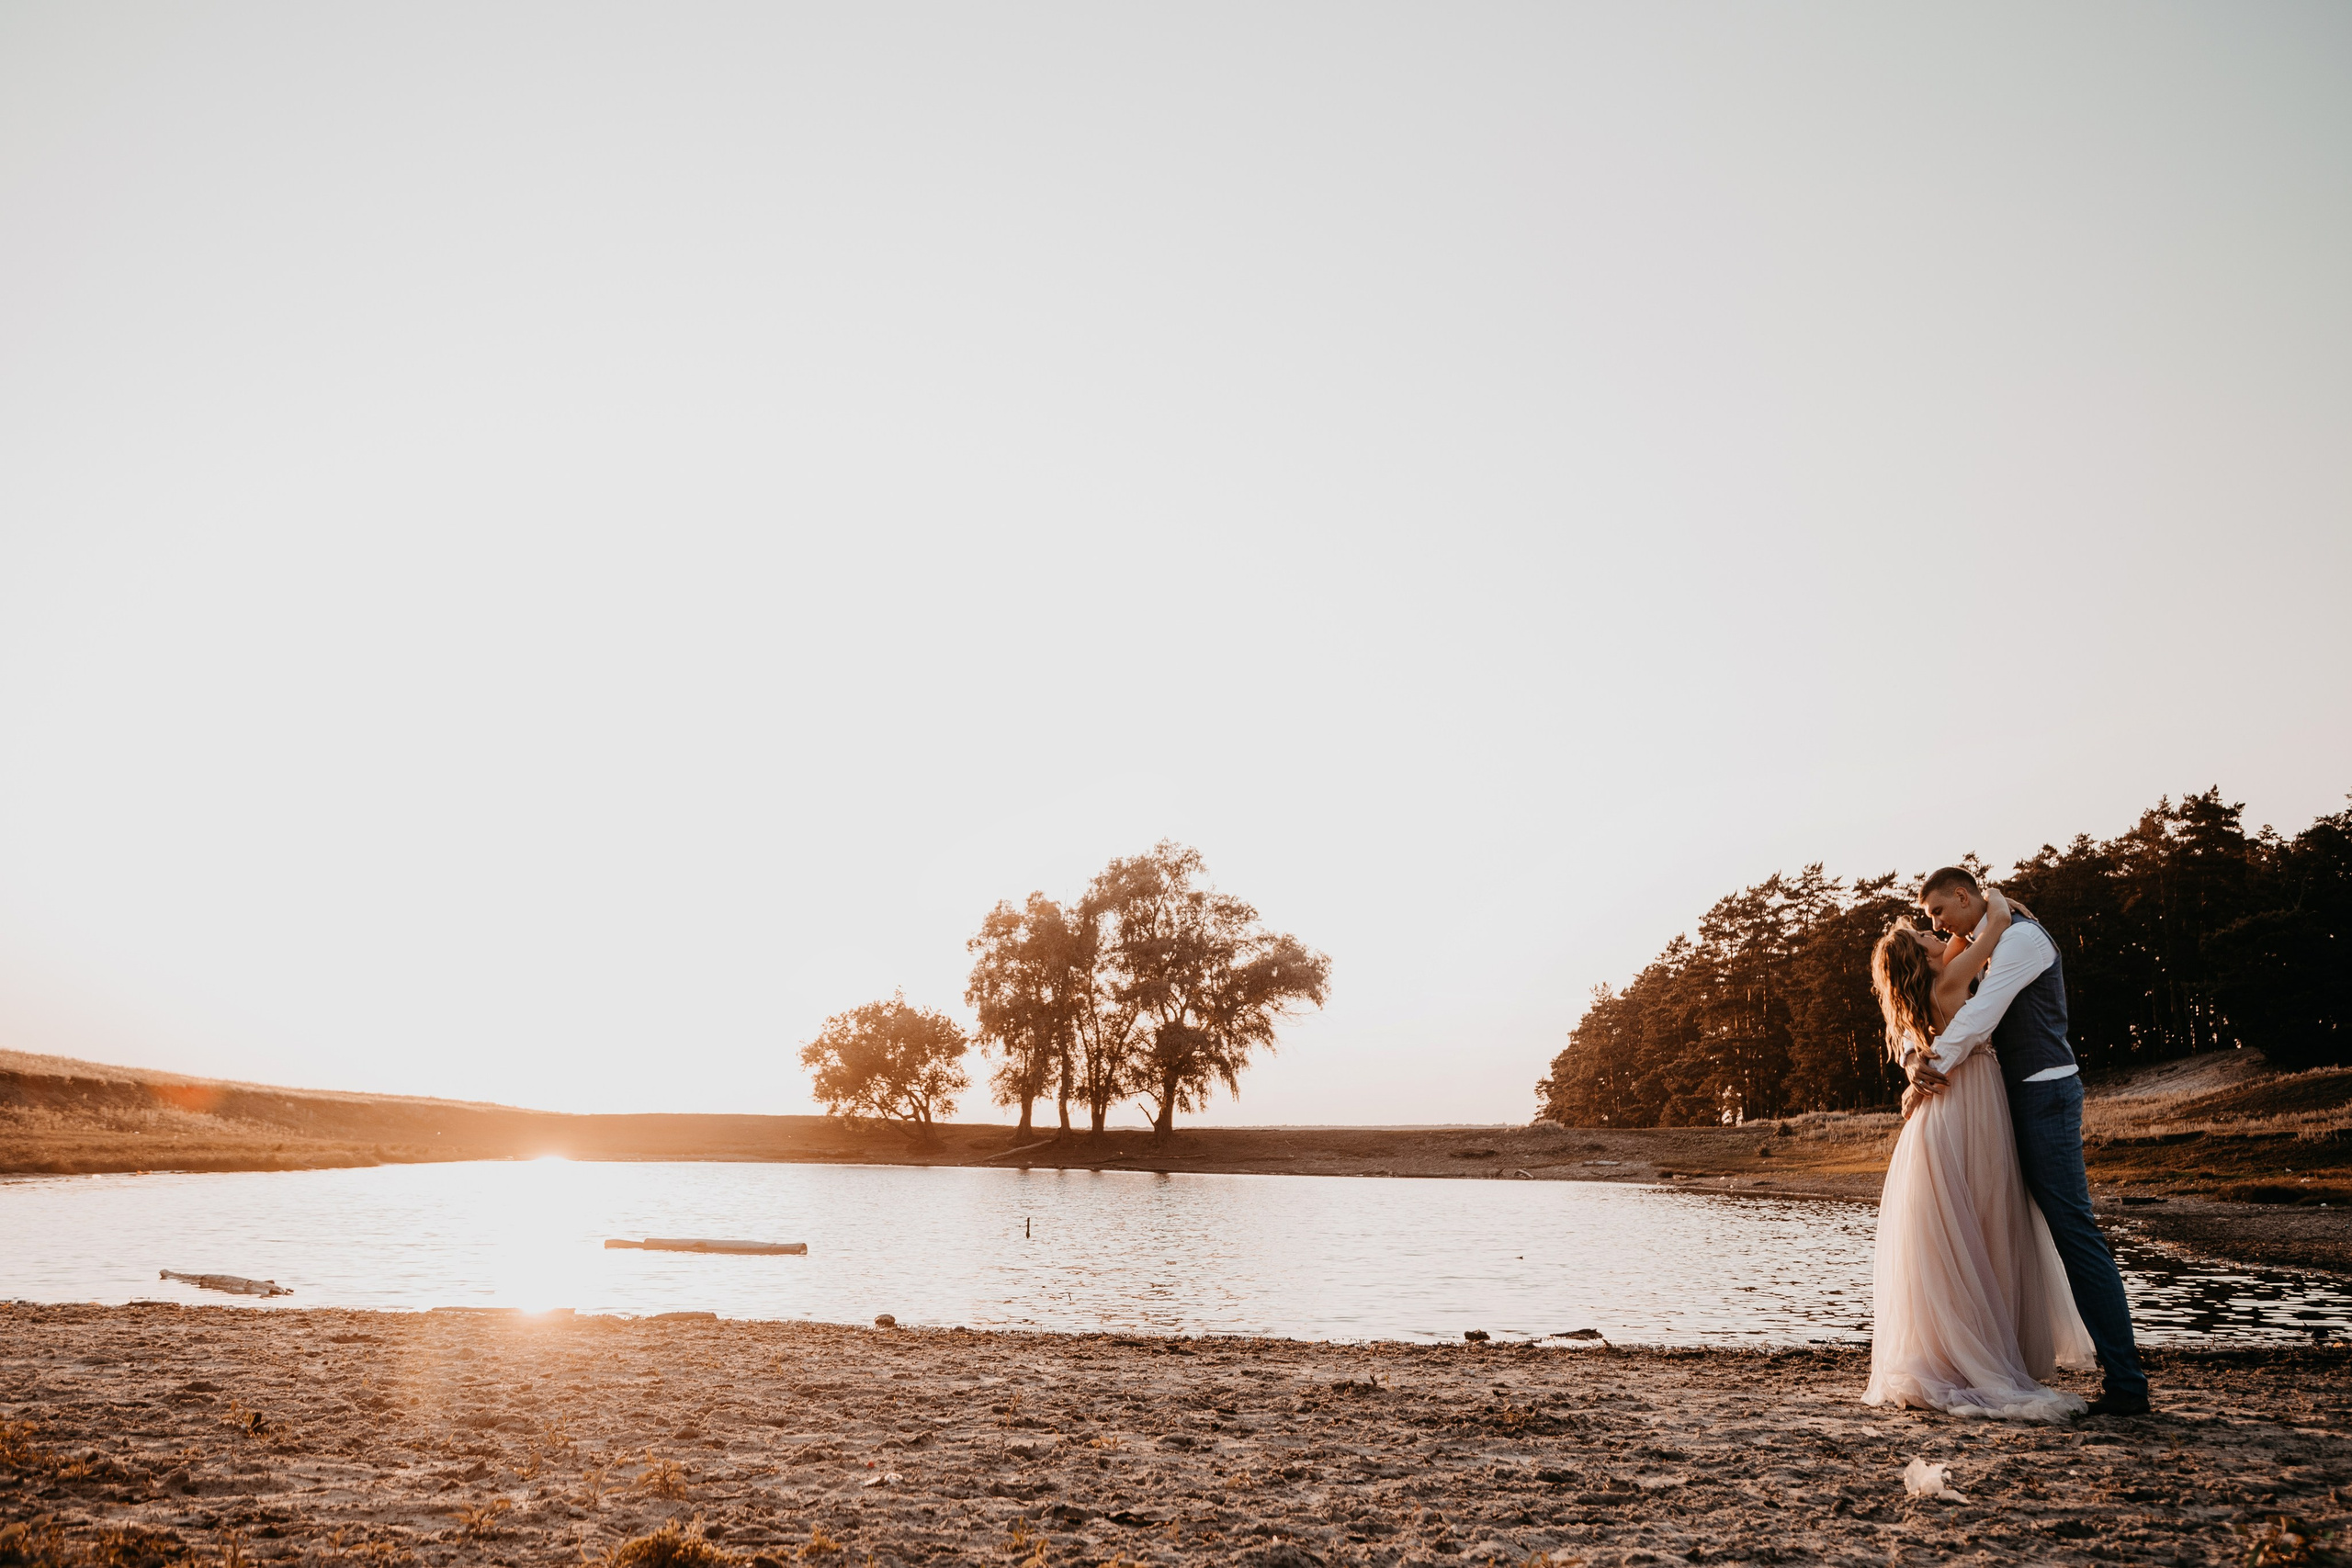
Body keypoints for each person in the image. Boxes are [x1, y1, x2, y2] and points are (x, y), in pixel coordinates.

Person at [1908, 865, 2152, 1416]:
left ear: (1963, 896)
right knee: (2014, 1228)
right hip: (2008, 1099)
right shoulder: (1991, 933)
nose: (1941, 927)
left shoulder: (2021, 940)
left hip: (2044, 1095)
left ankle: (2127, 1383)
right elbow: (1921, 1004)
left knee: (2073, 1229)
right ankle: (2001, 1354)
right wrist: (1911, 1060)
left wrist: (1926, 1075)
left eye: (1940, 913)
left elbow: (1979, 1014)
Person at [1862, 885, 2096, 1420]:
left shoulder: (1918, 996)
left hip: (1939, 1114)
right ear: (1922, 955)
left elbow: (1969, 944)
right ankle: (1987, 1352)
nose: (1940, 933)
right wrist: (1998, 899)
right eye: (1928, 932)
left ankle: (1951, 1350)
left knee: (1956, 1230)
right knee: (1988, 1217)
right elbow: (1990, 927)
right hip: (1972, 1100)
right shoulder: (1952, 975)